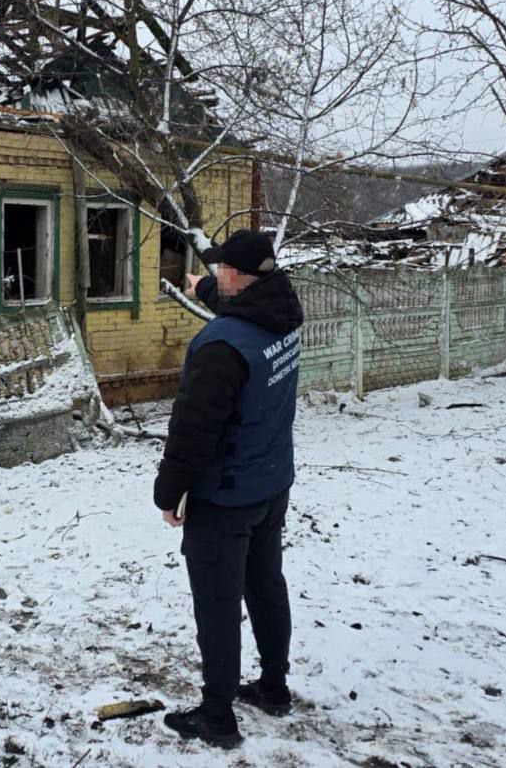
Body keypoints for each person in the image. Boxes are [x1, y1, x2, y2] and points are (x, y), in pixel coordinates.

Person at [154, 229, 304, 749]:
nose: (217, 274)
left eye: (221, 271)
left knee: (217, 604)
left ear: (237, 277)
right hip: (271, 483)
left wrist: (168, 492)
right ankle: (274, 687)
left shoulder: (219, 347)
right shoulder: (282, 314)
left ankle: (217, 717)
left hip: (226, 497)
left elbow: (193, 432)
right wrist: (201, 288)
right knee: (265, 584)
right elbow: (241, 313)